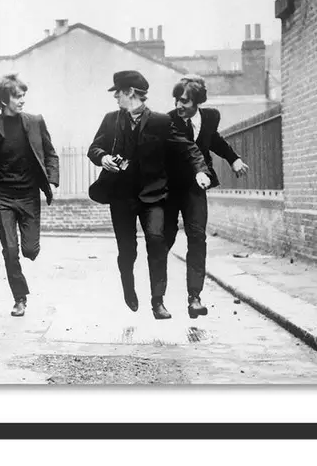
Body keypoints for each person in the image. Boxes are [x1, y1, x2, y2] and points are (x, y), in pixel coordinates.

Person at [88, 70, 209, 320]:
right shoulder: (111, 120)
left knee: (156, 241)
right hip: (121, 197)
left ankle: (158, 301)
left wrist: (201, 170)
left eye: (118, 93)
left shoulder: (160, 121)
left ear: (130, 92)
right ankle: (128, 285)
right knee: (127, 250)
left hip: (153, 196)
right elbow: (94, 148)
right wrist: (104, 157)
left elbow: (188, 147)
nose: (116, 97)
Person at [0, 74, 60, 318]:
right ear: (3, 100)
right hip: (4, 198)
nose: (22, 100)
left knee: (30, 250)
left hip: (29, 196)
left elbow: (50, 153)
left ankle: (29, 253)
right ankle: (20, 298)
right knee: (9, 250)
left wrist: (52, 180)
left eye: (23, 96)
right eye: (17, 96)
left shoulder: (35, 122)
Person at [163, 75, 249, 318]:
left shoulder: (210, 117)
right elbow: (182, 149)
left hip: (195, 188)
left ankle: (195, 297)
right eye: (176, 100)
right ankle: (157, 295)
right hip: (171, 188)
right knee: (165, 238)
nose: (178, 105)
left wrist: (233, 159)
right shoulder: (168, 121)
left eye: (184, 101)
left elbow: (214, 140)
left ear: (197, 102)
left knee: (197, 238)